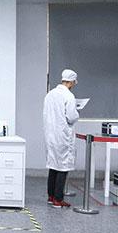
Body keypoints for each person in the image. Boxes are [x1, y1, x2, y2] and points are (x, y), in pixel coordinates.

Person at [43, 69, 80, 208]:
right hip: (63, 136)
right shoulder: (69, 96)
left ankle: (51, 196)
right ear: (71, 82)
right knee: (63, 167)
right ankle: (58, 199)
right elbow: (71, 117)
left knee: (53, 166)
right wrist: (77, 113)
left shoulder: (50, 94)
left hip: (50, 135)